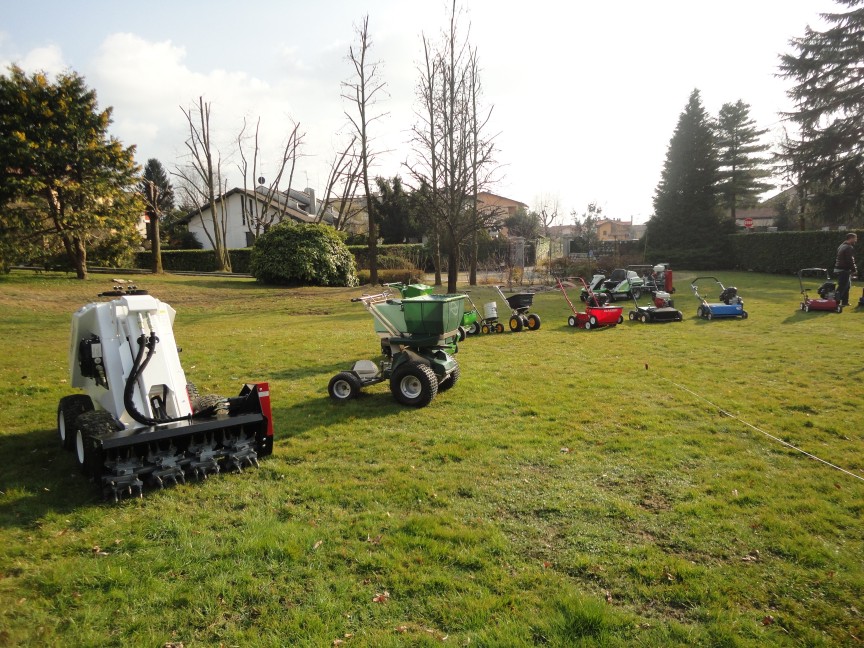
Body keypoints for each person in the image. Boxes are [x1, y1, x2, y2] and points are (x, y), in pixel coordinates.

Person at [834, 232, 858, 306]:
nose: (856, 240)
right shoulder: (848, 247)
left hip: (840, 268)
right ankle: (835, 302)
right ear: (851, 238)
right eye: (855, 238)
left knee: (847, 286)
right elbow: (849, 260)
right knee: (842, 287)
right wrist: (854, 269)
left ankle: (845, 302)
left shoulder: (841, 245)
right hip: (843, 269)